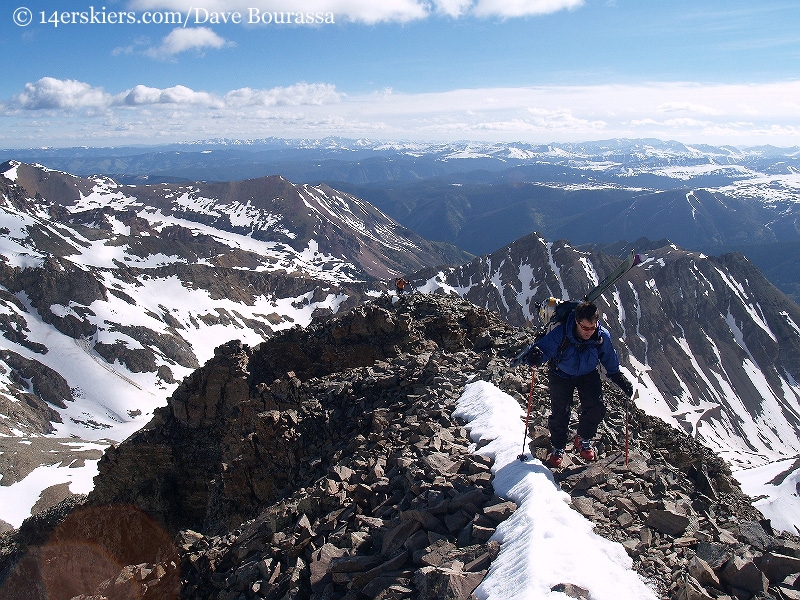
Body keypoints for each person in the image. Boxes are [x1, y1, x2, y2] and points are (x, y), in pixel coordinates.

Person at [512, 300, 633, 467]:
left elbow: (609, 358)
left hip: (587, 373)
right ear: (576, 321)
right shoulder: (561, 332)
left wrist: (618, 377)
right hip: (561, 373)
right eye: (585, 328)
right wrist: (535, 357)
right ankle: (558, 447)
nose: (589, 332)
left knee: (596, 408)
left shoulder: (601, 335)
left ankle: (583, 439)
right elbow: (543, 349)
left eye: (592, 327)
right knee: (560, 412)